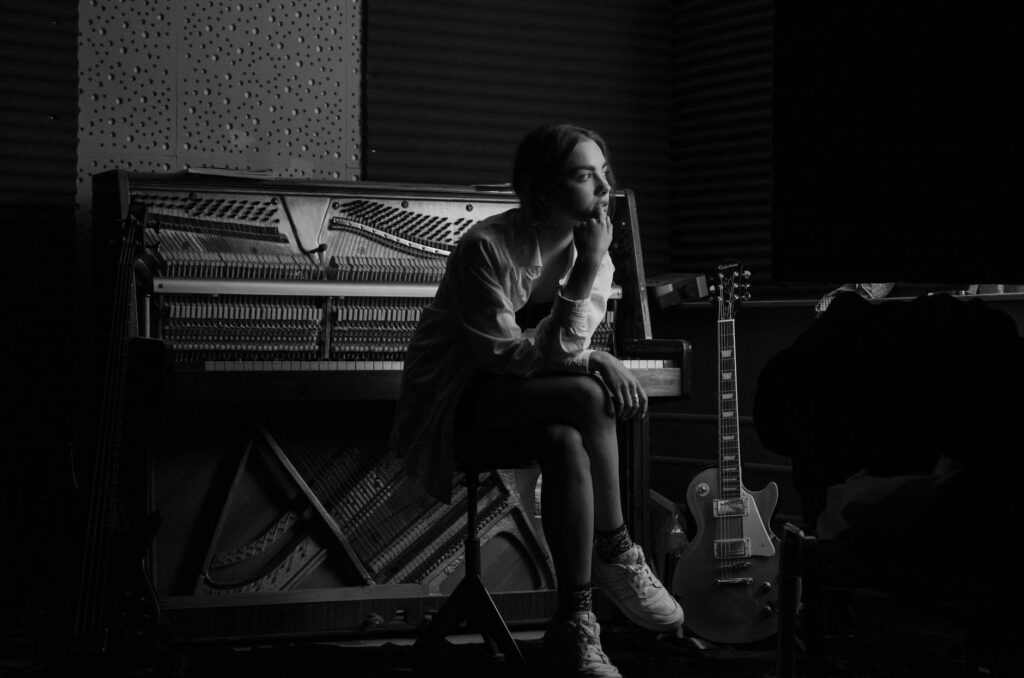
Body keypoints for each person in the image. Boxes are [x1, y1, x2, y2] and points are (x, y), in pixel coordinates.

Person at [388, 123, 683, 677]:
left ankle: (576, 625)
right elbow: (507, 359)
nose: (602, 188)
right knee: (589, 397)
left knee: (565, 441)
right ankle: (618, 549)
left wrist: (591, 308)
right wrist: (596, 355)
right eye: (581, 175)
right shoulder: (485, 247)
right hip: (460, 401)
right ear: (541, 188)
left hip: (526, 401)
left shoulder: (590, 246)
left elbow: (566, 344)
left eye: (604, 174)